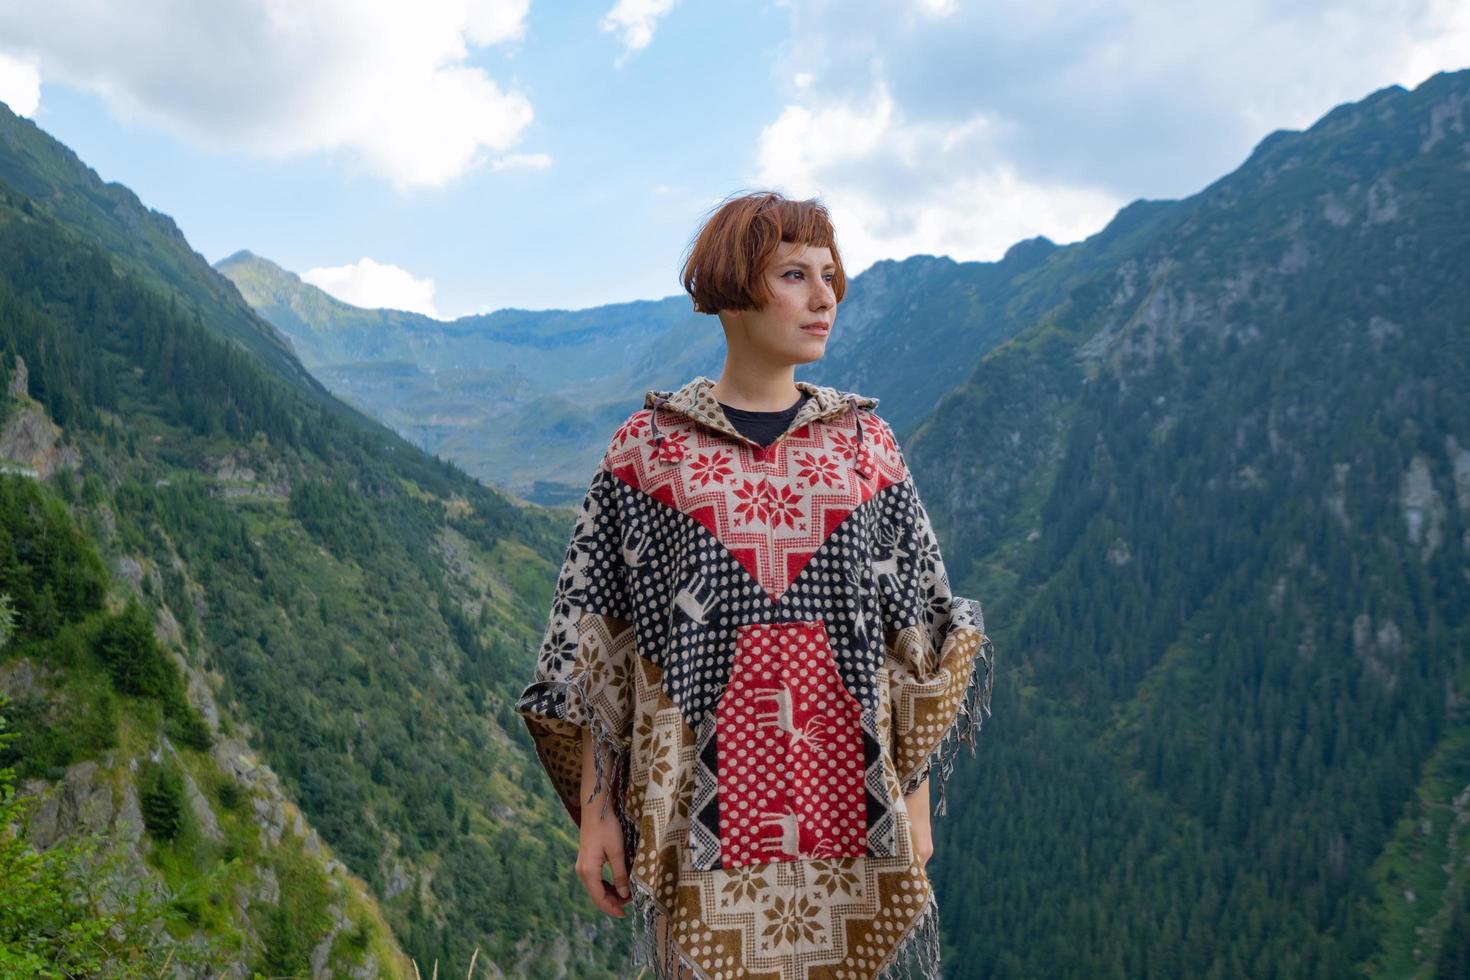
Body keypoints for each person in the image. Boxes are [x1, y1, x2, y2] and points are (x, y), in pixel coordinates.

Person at [516, 190, 994, 979]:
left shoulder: (864, 447)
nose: (825, 297)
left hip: (852, 811)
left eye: (832, 277)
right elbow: (594, 647)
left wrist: (910, 798)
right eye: (796, 275)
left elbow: (916, 630)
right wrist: (597, 816)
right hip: (693, 820)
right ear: (735, 286)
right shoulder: (651, 452)